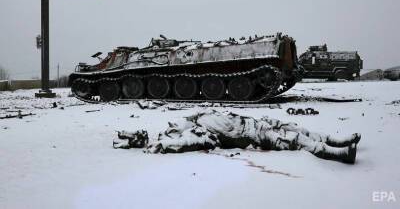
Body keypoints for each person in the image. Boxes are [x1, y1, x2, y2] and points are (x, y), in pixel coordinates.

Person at [114, 110, 361, 164]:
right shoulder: (194, 134)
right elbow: (194, 142)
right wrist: (161, 145)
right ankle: (334, 152)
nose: (171, 125)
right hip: (247, 133)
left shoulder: (194, 119)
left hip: (250, 121)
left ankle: (334, 139)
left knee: (293, 127)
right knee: (291, 139)